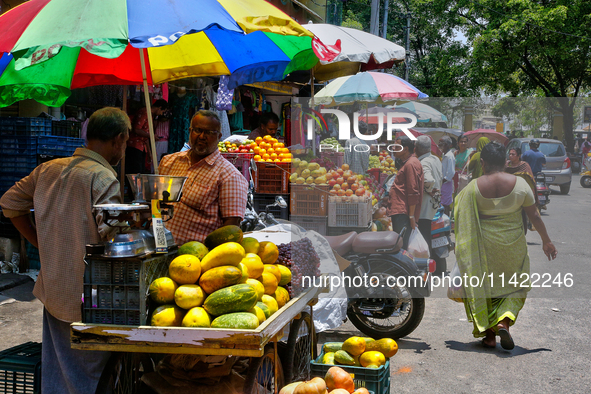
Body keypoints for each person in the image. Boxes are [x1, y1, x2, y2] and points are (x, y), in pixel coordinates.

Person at [0, 107, 131, 393]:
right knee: (91, 371)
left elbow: (9, 204)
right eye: (126, 141)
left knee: (59, 366)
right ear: (119, 139)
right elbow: (114, 238)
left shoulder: (47, 169)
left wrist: (40, 242)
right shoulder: (103, 178)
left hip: (54, 290)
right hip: (91, 295)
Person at [454, 142, 557, 350]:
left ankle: (489, 336)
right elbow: (534, 216)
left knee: (486, 288)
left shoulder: (472, 188)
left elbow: (459, 216)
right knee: (516, 286)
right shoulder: (520, 185)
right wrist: (546, 240)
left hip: (484, 248)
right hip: (513, 247)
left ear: (482, 163)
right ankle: (504, 322)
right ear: (505, 161)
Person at [159, 110, 248, 244]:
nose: (201, 136)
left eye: (209, 133)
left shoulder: (229, 176)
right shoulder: (168, 162)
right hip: (159, 247)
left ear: (219, 136)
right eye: (197, 130)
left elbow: (231, 229)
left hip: (195, 257)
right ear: (190, 131)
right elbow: (156, 203)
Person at [387, 136, 424, 249]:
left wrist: (411, 216)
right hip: (402, 210)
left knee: (402, 245)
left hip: (403, 212)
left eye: (397, 146)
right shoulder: (407, 162)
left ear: (406, 149)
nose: (393, 148)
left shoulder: (410, 164)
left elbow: (413, 192)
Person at [415, 136, 442, 268]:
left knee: (424, 238)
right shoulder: (435, 159)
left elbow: (429, 180)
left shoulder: (424, 162)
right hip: (434, 204)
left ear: (416, 149)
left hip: (425, 206)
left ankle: (426, 266)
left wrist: (429, 189)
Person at [126, 99, 169, 174]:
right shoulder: (144, 112)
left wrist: (149, 152)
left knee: (141, 172)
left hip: (142, 146)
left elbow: (145, 135)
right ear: (159, 107)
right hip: (135, 145)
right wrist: (151, 136)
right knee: (135, 172)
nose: (161, 114)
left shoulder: (150, 115)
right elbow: (136, 129)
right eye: (162, 111)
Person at [505, 147, 538, 233]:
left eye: (513, 154)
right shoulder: (506, 166)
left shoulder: (524, 166)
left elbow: (530, 182)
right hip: (509, 197)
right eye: (510, 154)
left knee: (523, 216)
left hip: (521, 197)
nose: (511, 156)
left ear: (519, 156)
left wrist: (533, 196)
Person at [438, 136, 456, 216]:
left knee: (445, 205)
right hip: (443, 183)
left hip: (446, 183)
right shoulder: (444, 155)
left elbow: (451, 172)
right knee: (441, 203)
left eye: (442, 143)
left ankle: (446, 223)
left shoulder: (450, 156)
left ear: (447, 145)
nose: (440, 145)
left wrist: (443, 180)